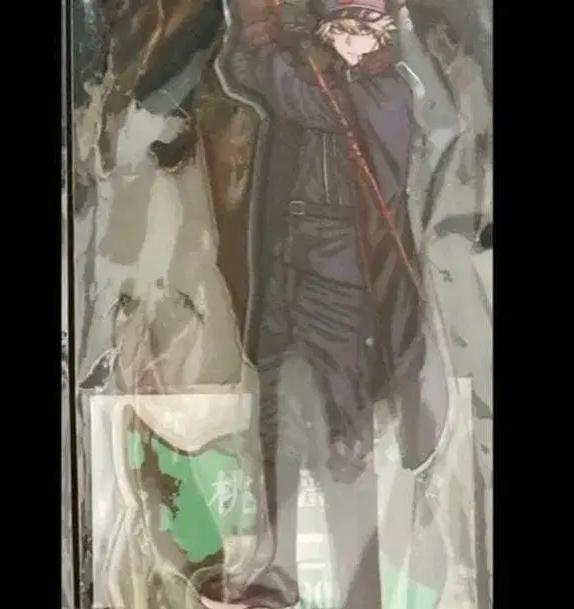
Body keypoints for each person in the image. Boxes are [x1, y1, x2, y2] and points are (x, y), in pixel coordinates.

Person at [200, 1, 450, 607]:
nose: (347, 39)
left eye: (362, 29)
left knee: (344, 445)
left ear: (382, 37)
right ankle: (278, 571)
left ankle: (361, 593)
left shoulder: (387, 94)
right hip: (288, 277)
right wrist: (258, 32)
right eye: (339, 27)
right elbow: (247, 72)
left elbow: (301, 99)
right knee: (277, 428)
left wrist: (268, 40)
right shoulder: (317, 74)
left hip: (343, 293)